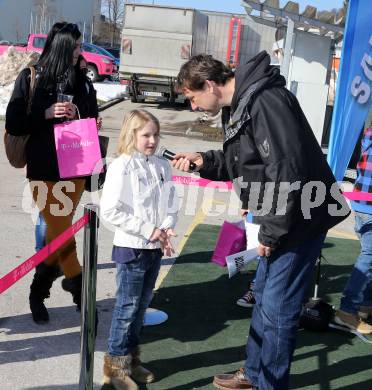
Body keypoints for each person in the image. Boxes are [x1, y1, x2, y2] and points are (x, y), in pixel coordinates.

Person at [172, 52, 350, 390]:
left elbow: (288, 170)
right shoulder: (244, 101)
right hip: (282, 220)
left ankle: (269, 383)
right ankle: (254, 376)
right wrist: (205, 161)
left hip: (298, 222)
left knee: (278, 311)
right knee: (266, 302)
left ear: (209, 84)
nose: (194, 107)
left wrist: (270, 231)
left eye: (193, 98)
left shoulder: (264, 100)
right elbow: (244, 159)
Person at [5, 22, 99, 324]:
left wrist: (79, 114)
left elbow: (93, 118)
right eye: (75, 46)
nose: (80, 51)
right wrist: (45, 114)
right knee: (57, 229)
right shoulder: (31, 77)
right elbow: (15, 123)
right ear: (61, 47)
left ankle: (38, 291)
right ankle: (79, 289)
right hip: (44, 168)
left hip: (75, 167)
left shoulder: (82, 81)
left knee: (56, 231)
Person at [100, 109, 178, 389]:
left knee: (141, 307)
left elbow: (170, 201)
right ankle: (115, 369)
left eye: (156, 134)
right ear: (131, 134)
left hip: (154, 249)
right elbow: (110, 210)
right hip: (131, 248)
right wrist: (148, 230)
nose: (152, 140)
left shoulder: (161, 166)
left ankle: (131, 360)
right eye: (146, 135)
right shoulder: (121, 165)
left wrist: (167, 226)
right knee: (127, 308)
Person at [334, 110, 372, 334]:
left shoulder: (369, 131)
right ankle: (347, 310)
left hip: (363, 205)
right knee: (369, 255)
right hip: (368, 207)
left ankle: (365, 303)